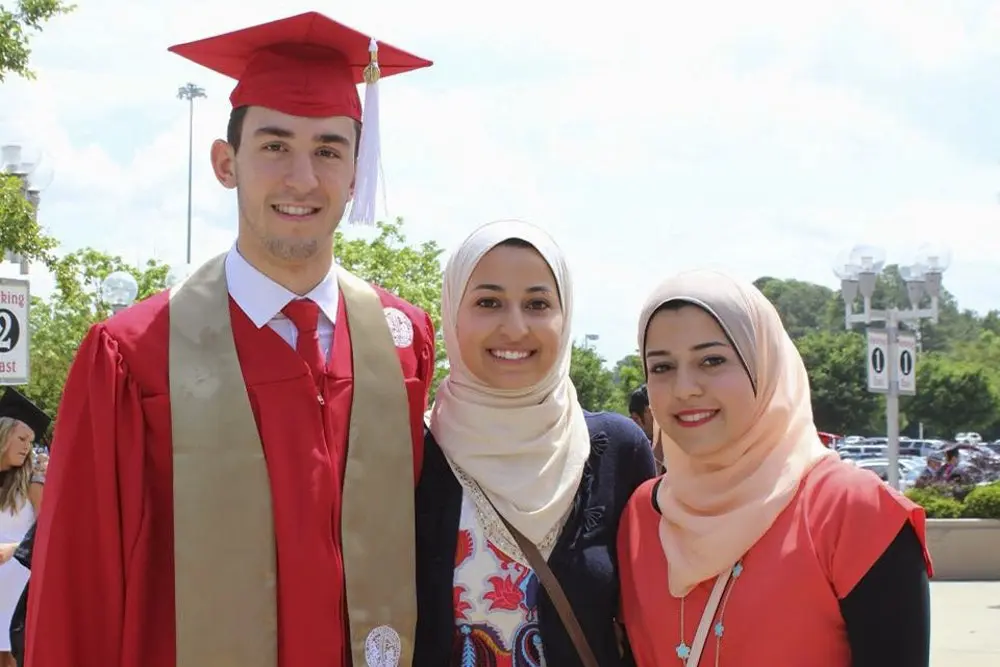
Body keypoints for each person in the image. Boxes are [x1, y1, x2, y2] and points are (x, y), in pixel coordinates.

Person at [27, 12, 435, 667]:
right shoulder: (133, 356)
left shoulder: (400, 341)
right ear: (225, 163)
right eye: (274, 145)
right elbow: (79, 590)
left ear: (357, 170)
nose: (302, 177)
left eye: (329, 149)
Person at [617, 270, 933, 667]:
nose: (685, 388)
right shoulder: (642, 516)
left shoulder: (852, 512)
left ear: (763, 364)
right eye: (662, 367)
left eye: (712, 360)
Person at [414, 220, 657, 666]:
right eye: (488, 302)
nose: (515, 327)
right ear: (452, 310)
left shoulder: (617, 451)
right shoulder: (411, 452)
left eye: (538, 303)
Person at [0, 390, 48, 667]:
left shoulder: (33, 481)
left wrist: (14, 548)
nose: (26, 448)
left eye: (30, 442)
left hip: (17, 588)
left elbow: (48, 533)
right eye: (21, 439)